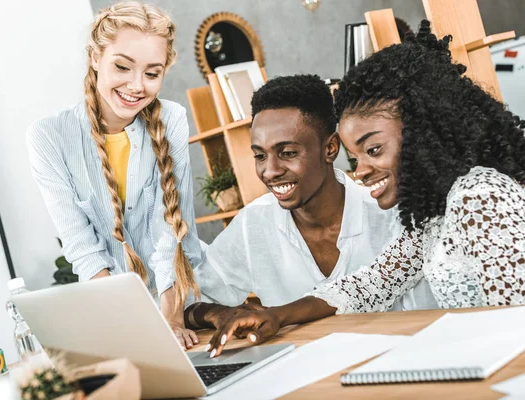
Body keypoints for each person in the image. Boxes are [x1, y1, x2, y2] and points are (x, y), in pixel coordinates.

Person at [204, 21, 525, 357]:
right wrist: (275, 315)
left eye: (373, 150)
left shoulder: (480, 197)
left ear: (421, 133)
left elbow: (515, 328)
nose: (361, 172)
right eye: (355, 157)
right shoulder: (437, 214)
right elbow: (369, 284)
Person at [184, 75, 437, 352]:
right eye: (259, 156)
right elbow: (186, 302)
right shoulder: (253, 224)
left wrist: (278, 314)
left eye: (288, 152)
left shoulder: (397, 213)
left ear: (330, 148)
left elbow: (366, 288)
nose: (270, 171)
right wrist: (219, 313)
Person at [26, 2, 202, 349]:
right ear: (95, 57)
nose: (136, 86)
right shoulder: (49, 136)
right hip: (118, 313)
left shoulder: (173, 120)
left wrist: (170, 319)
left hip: (184, 302)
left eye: (152, 73)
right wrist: (131, 324)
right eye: (122, 66)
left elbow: (171, 230)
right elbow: (82, 246)